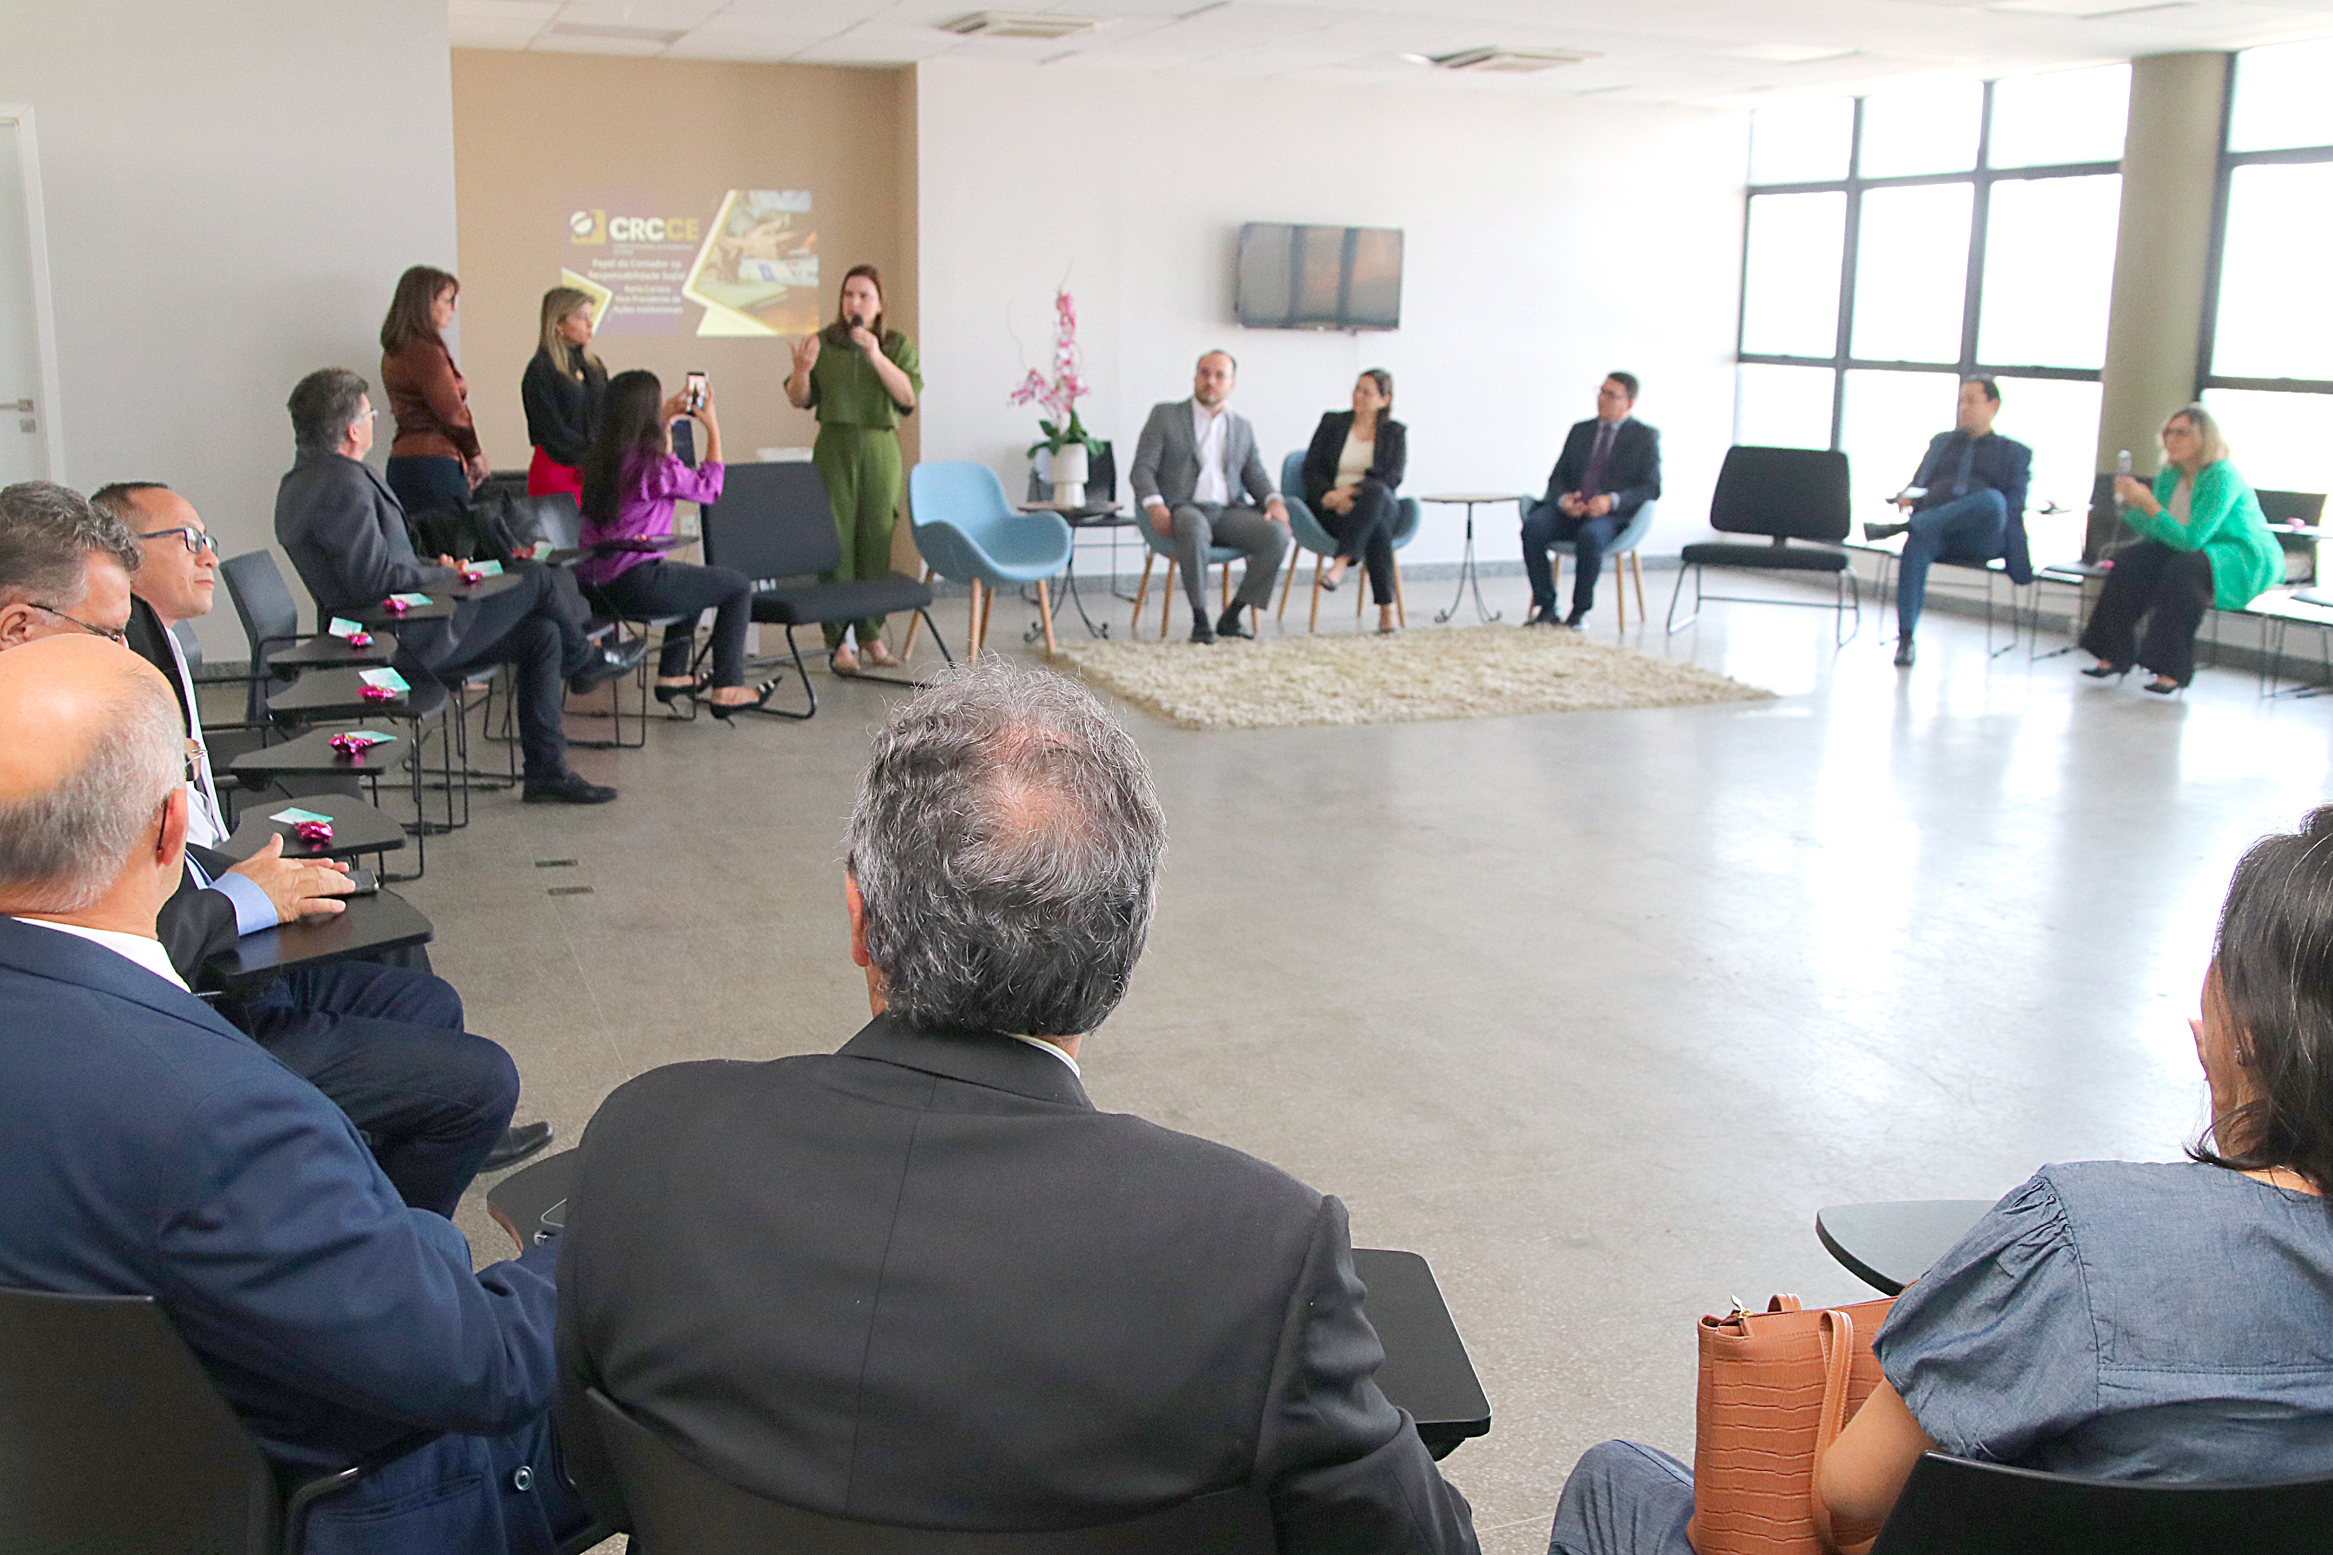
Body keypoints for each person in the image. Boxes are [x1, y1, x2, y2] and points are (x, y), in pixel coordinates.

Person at [555, 662, 1478, 1552]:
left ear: (858, 916)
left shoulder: (646, 1144)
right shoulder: (1259, 1252)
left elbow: (598, 1480)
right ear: (1127, 942)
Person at [1548, 803, 2333, 1555]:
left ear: (2252, 1031)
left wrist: (2237, 1105)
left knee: (1613, 1480)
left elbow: (1849, 1490)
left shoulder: (2082, 1240)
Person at [0, 633, 595, 1555]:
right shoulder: (219, 1119)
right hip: (328, 1499)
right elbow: (485, 1366)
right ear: (170, 827)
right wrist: (606, 1234)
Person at [91, 478, 551, 1198]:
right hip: (202, 1010)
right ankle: (390, 1211)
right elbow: (129, 941)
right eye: (191, 540)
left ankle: (381, 1173)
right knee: (477, 1069)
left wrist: (248, 873)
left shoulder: (153, 642)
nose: (209, 554)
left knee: (420, 983)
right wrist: (244, 893)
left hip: (212, 896)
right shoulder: (96, 718)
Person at [276, 367, 640, 804]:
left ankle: (547, 772)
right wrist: (446, 576)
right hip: (404, 638)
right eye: (370, 414)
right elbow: (371, 582)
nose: (375, 420)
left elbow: (382, 564)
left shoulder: (302, 483)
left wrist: (436, 565)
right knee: (539, 577)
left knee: (541, 635)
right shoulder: (340, 484)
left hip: (405, 622)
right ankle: (585, 664)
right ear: (354, 430)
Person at [577, 370, 769, 717]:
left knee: (691, 580)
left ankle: (673, 675)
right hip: (636, 583)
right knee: (737, 587)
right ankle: (727, 687)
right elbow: (709, 489)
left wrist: (665, 416)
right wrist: (712, 427)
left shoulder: (600, 459)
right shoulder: (653, 466)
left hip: (594, 585)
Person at [2080, 403, 2280, 694]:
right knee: (2132, 560)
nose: (2171, 440)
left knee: (2185, 569)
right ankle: (2112, 652)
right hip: (2187, 548)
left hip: (2237, 554)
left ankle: (2169, 668)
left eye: (2181, 433)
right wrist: (2130, 503)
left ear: (2204, 437)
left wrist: (2149, 504)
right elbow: (2155, 528)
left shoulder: (2222, 476)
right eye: (2168, 433)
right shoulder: (2170, 474)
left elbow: (2192, 539)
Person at [783, 263, 921, 675]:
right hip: (835, 444)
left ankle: (871, 635)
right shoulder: (822, 342)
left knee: (876, 537)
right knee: (835, 541)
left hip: (880, 446)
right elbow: (798, 398)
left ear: (879, 305)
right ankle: (839, 641)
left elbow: (907, 397)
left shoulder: (896, 345)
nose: (854, 303)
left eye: (864, 296)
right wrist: (802, 371)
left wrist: (874, 353)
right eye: (848, 295)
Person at [1862, 378, 2033, 669]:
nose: (1963, 409)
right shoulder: (1942, 443)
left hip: (1983, 535)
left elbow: (2012, 506)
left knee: (1991, 500)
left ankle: (1907, 527)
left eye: (1971, 401)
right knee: (1917, 543)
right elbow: (1919, 483)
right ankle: (1905, 639)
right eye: (1960, 402)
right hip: (1939, 531)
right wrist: (1906, 497)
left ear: (1994, 406)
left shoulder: (2013, 452)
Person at [1130, 350, 1291, 644]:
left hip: (1229, 512)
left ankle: (1232, 615)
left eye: (1219, 376)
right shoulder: (1166, 415)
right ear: (1195, 378)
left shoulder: (1241, 426)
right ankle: (1200, 620)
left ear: (1232, 384)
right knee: (1194, 527)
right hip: (1183, 508)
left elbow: (1255, 473)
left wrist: (1273, 500)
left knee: (1277, 535)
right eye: (1204, 373)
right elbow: (1142, 470)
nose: (1211, 381)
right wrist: (1155, 505)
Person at [1522, 373, 1661, 630]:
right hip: (1571, 511)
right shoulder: (1581, 431)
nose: (1602, 399)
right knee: (1533, 528)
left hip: (1609, 516)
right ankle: (1547, 608)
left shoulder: (1644, 436)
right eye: (1601, 391)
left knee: (1591, 537)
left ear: (1629, 403)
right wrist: (1564, 499)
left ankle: (1578, 612)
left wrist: (1612, 501)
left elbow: (1651, 488)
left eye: (1611, 395)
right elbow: (1557, 477)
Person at [1300, 368, 1407, 635]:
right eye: (1357, 389)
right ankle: (1386, 611)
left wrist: (1350, 492)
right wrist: (1328, 496)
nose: (1357, 396)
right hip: (1335, 508)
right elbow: (1310, 468)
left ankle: (1341, 562)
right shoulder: (1332, 422)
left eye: (1366, 392)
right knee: (1377, 528)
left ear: (1384, 400)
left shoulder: (1394, 432)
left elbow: (1392, 477)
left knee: (1378, 493)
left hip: (1374, 500)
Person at [380, 264, 487, 521]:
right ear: (425, 303)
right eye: (448, 300)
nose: (454, 309)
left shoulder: (395, 349)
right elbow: (452, 413)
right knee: (455, 551)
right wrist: (475, 454)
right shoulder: (426, 350)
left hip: (404, 462)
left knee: (421, 552)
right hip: (435, 466)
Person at [521, 286, 608, 500]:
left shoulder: (595, 368)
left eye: (590, 317)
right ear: (558, 324)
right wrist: (591, 454)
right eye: (581, 317)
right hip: (558, 469)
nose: (590, 324)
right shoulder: (541, 369)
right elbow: (551, 428)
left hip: (595, 472)